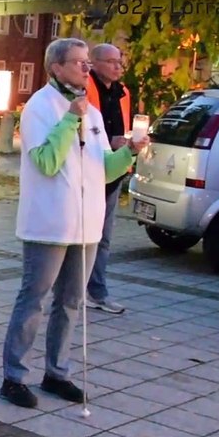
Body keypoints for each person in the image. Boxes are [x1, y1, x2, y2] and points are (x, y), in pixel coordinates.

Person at [0, 38, 148, 409]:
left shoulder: (93, 112)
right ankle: (14, 376)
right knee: (33, 300)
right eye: (79, 63)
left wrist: (128, 152)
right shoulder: (39, 107)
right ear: (56, 68)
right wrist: (70, 119)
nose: (86, 69)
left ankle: (57, 372)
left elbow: (104, 169)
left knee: (70, 302)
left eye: (87, 63)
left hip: (86, 224)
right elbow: (47, 162)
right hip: (49, 223)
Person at [85, 43, 132, 315]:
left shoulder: (122, 92)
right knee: (81, 236)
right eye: (111, 61)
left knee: (103, 237)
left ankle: (97, 291)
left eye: (120, 61)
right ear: (94, 63)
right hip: (88, 170)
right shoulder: (84, 88)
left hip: (112, 171)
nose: (117, 66)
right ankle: (69, 290)